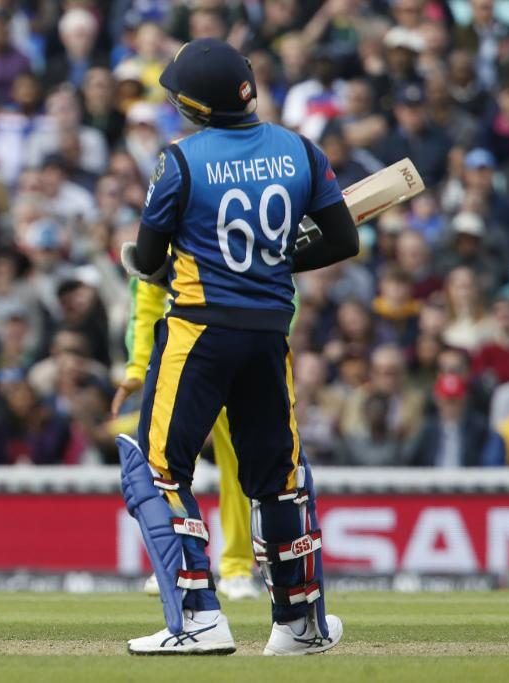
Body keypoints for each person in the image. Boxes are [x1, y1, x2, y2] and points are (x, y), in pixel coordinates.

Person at [116, 39, 357, 656]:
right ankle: (298, 625)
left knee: (158, 468)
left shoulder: (180, 160)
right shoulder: (300, 150)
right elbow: (342, 240)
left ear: (192, 106)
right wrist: (273, 258)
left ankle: (198, 618)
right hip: (268, 333)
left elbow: (149, 259)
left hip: (198, 331)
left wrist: (145, 261)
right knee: (278, 478)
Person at [115, 276, 261, 602]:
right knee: (166, 464)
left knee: (240, 464)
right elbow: (146, 296)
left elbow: (280, 292)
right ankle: (174, 560)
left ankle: (237, 568)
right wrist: (138, 366)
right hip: (180, 358)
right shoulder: (170, 243)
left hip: (239, 352)